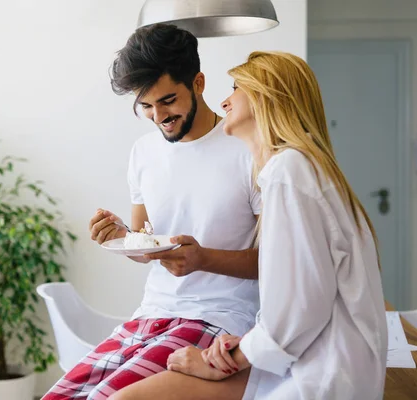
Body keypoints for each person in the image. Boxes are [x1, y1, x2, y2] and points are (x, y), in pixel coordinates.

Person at [108, 51, 388, 400]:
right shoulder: (298, 169)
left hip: (322, 374)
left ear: (266, 97)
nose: (225, 100)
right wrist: (243, 347)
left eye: (237, 88)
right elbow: (301, 300)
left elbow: (300, 310)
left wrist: (226, 359)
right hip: (314, 358)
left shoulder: (289, 172)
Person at [42, 23, 261, 400]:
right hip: (150, 314)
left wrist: (203, 259)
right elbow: (145, 247)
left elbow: (274, 263)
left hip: (218, 319)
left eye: (167, 101)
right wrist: (121, 235)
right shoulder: (143, 153)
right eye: (145, 105)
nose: (158, 115)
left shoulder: (248, 150)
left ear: (198, 83)